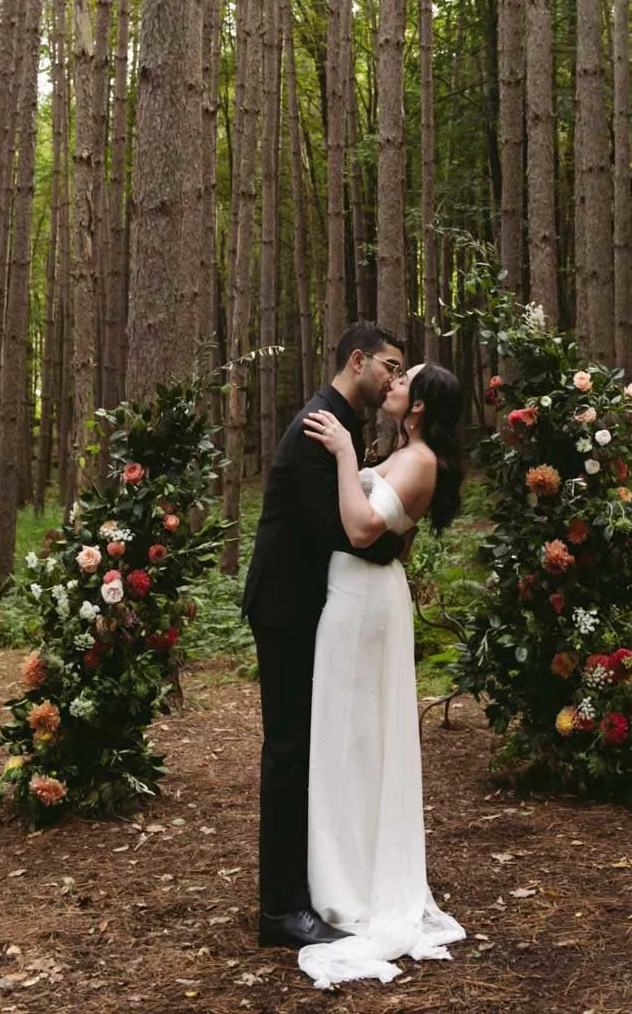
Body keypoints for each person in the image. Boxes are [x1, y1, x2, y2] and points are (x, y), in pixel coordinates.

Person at [295, 361, 467, 989]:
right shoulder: (403, 452)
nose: (393, 384)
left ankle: (352, 889)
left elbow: (364, 526)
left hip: (365, 600)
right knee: (347, 735)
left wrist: (344, 453)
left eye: (405, 381)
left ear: (419, 405)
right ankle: (342, 870)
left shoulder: (419, 461)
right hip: (356, 591)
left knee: (353, 736)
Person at [242, 321, 407, 949]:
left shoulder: (340, 422)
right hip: (285, 609)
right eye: (389, 366)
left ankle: (303, 889)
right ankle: (279, 910)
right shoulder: (320, 426)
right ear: (357, 360)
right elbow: (336, 531)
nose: (393, 378)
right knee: (287, 752)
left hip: (305, 606)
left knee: (304, 750)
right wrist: (397, 533)